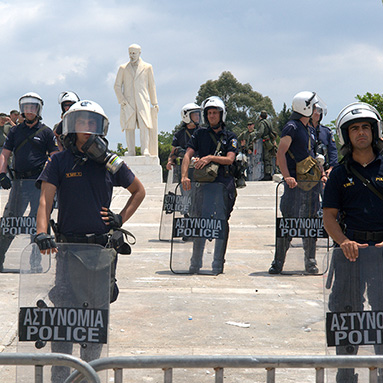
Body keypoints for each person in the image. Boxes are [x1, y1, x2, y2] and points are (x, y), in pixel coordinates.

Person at [34, 99, 146, 382]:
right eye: (82, 123)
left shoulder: (109, 162)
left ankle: (89, 376)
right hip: (67, 251)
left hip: (99, 253)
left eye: (93, 124)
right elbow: (45, 201)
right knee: (63, 320)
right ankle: (60, 378)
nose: (88, 129)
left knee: (93, 323)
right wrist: (41, 232)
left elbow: (139, 191)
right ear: (71, 127)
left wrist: (120, 218)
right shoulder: (59, 160)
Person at [323, 102, 383, 383]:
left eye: (366, 127)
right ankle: (345, 371)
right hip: (350, 255)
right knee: (346, 313)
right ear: (346, 135)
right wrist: (344, 241)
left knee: (382, 312)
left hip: (382, 253)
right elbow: (329, 217)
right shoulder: (338, 173)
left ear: (375, 131)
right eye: (355, 128)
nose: (361, 133)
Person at [268, 91, 326, 275]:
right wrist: (286, 176)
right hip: (294, 184)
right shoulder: (291, 127)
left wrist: (322, 174)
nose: (316, 109)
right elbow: (281, 153)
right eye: (314, 106)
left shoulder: (309, 128)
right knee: (288, 223)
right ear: (306, 107)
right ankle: (278, 263)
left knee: (311, 223)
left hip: (310, 184)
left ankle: (310, 261)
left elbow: (312, 157)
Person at [0, 92, 58, 272]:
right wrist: (2, 174)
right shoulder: (15, 131)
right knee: (10, 221)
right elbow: (5, 153)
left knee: (38, 222)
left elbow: (55, 156)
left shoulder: (47, 132)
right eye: (25, 107)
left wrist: (50, 177)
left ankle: (36, 261)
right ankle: (0, 258)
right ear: (22, 110)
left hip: (38, 184)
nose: (29, 110)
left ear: (38, 109)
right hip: (19, 183)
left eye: (32, 107)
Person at [181, 96, 238, 275]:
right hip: (203, 186)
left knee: (221, 223)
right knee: (199, 221)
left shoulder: (230, 136)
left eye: (215, 113)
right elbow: (187, 155)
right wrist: (184, 176)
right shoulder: (200, 134)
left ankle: (217, 263)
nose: (212, 116)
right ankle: (195, 263)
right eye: (209, 113)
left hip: (223, 185)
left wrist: (210, 158)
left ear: (222, 115)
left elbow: (229, 159)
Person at [114, 43, 159, 156]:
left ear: (139, 53)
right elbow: (117, 86)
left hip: (143, 100)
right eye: (130, 53)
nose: (131, 55)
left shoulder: (147, 67)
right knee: (129, 126)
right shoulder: (123, 68)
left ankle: (145, 149)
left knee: (144, 125)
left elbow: (151, 86)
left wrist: (154, 102)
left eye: (134, 53)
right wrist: (122, 99)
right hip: (128, 102)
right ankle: (131, 151)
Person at [166, 103, 201, 176]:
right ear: (187, 116)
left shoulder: (204, 132)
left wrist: (200, 158)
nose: (198, 117)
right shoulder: (179, 134)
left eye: (198, 114)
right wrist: (170, 161)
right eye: (195, 115)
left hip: (201, 170)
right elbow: (173, 152)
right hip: (185, 171)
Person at [309, 105, 338, 176]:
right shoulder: (303, 131)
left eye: (319, 111)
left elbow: (332, 150)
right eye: (314, 111)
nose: (317, 113)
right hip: (308, 170)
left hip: (325, 170)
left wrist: (332, 168)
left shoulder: (326, 131)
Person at [255, 110, 277, 180]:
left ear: (260, 116)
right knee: (269, 158)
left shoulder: (262, 123)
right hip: (270, 142)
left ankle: (267, 174)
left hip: (265, 142)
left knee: (266, 158)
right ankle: (270, 172)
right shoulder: (269, 122)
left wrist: (255, 137)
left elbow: (261, 132)